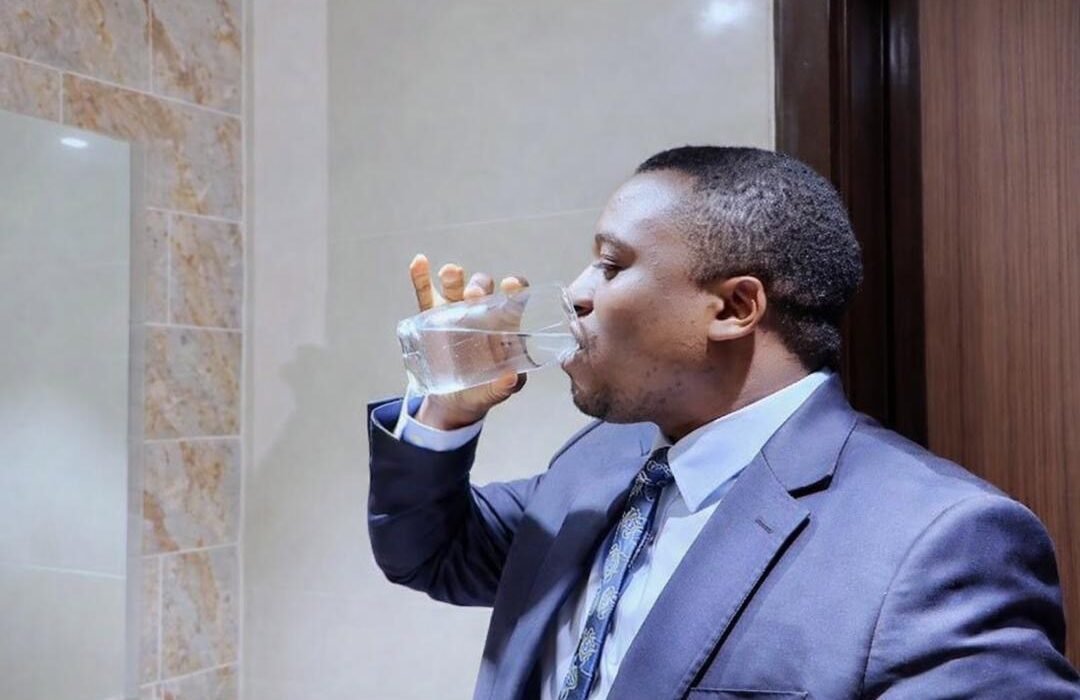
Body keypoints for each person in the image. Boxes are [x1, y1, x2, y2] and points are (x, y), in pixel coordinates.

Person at [367, 146, 1080, 699]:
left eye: (611, 266)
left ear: (736, 308)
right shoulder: (600, 463)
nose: (577, 294)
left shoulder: (939, 543)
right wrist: (446, 409)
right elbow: (432, 553)